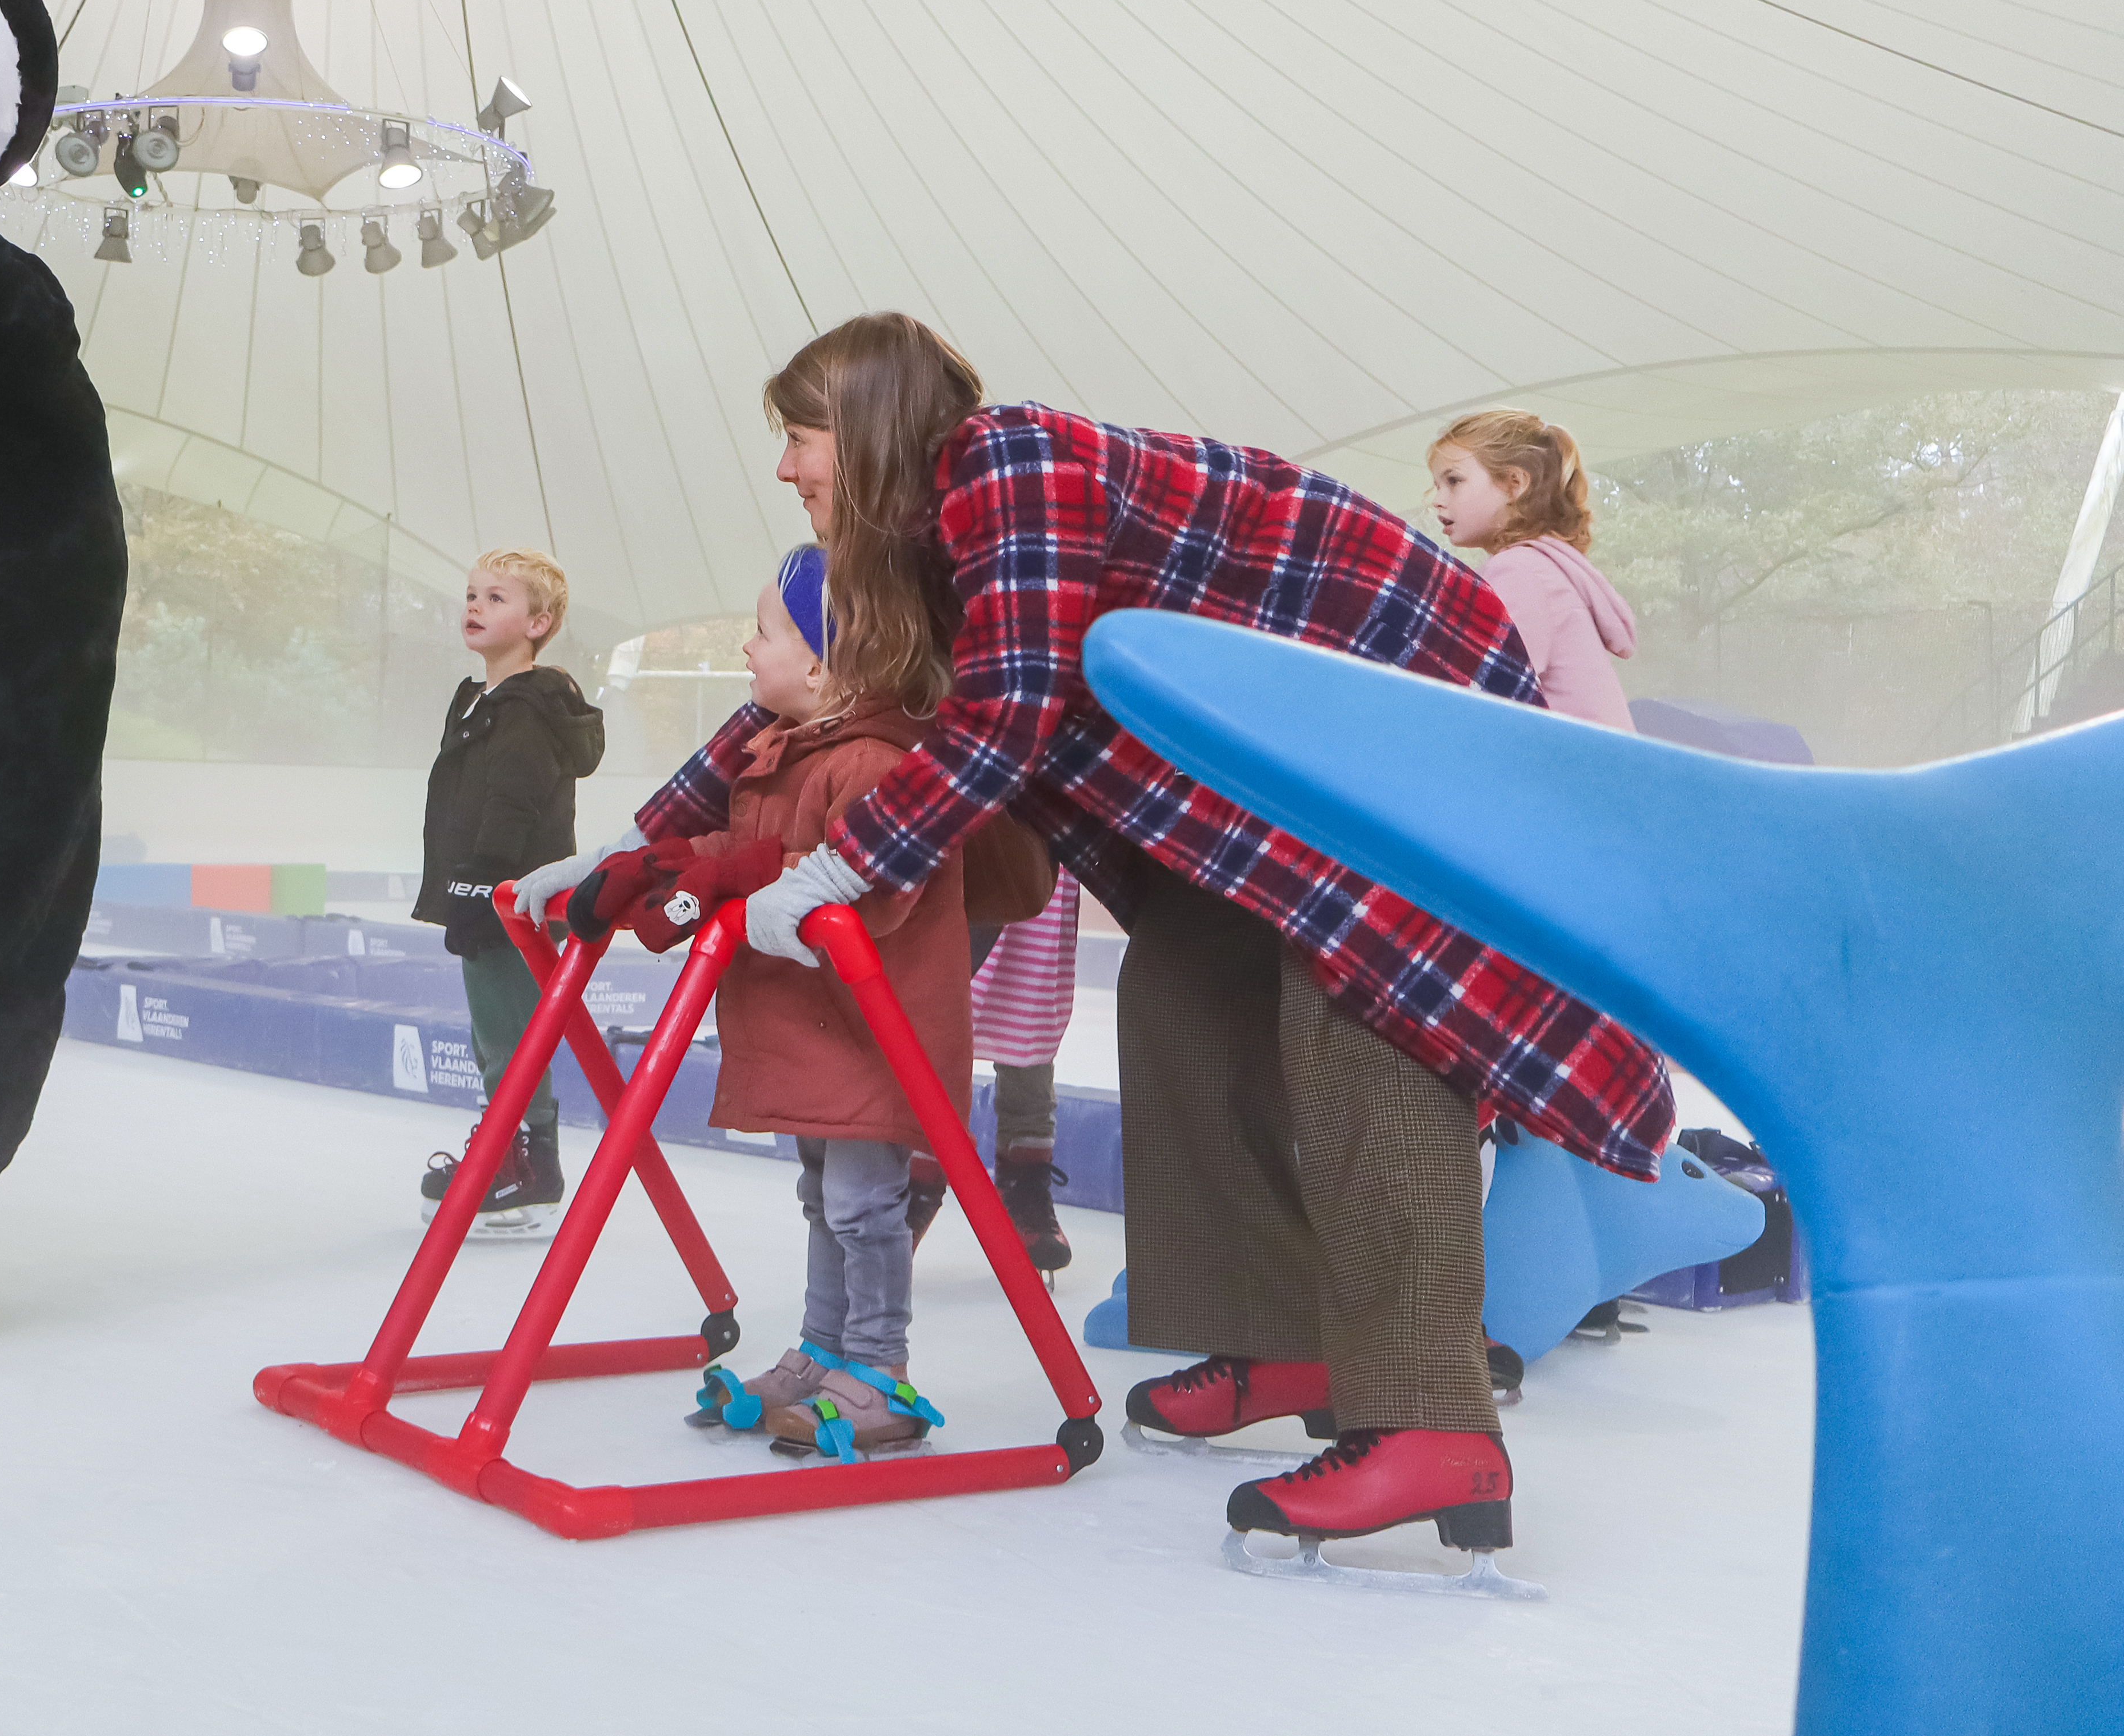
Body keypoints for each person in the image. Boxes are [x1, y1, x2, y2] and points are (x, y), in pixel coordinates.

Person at [521, 314, 1673, 1568]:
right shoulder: (908, 547)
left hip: (1389, 697)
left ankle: (1434, 1425)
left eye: (801, 437)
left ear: (870, 427)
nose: (786, 466)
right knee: (1183, 981)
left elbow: (1009, 709)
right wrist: (629, 845)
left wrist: (841, 866)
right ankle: (1286, 1335)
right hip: (1264, 762)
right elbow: (809, 706)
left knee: (1368, 1013)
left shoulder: (1007, 466)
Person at [658, 545, 973, 1459]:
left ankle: (880, 1369)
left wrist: (748, 874)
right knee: (822, 1199)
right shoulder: (787, 755)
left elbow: (877, 884)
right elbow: (744, 846)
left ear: (828, 664)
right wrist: (667, 866)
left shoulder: (872, 762)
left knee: (863, 1208)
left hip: (874, 1036)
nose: (747, 648)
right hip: (819, 1029)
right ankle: (824, 1351)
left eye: (765, 632)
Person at [407, 551, 606, 1227]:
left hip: (512, 901)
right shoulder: (482, 702)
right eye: (472, 594)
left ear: (538, 623)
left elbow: (511, 803)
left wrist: (478, 884)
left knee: (510, 1036)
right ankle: (515, 1154)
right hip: (486, 893)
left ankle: (525, 1163)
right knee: (495, 1033)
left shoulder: (526, 710)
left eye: (496, 598)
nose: (474, 606)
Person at [1427, 411, 1637, 730]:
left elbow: (1486, 685)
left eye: (1454, 481)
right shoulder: (1542, 567)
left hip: (1567, 760)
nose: (1438, 500)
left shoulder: (1519, 572)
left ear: (1515, 485)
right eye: (1437, 485)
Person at [964, 873, 1081, 1270]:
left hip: (1040, 869)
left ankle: (1024, 1183)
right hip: (958, 864)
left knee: (1030, 1023)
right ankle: (913, 1187)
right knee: (935, 1029)